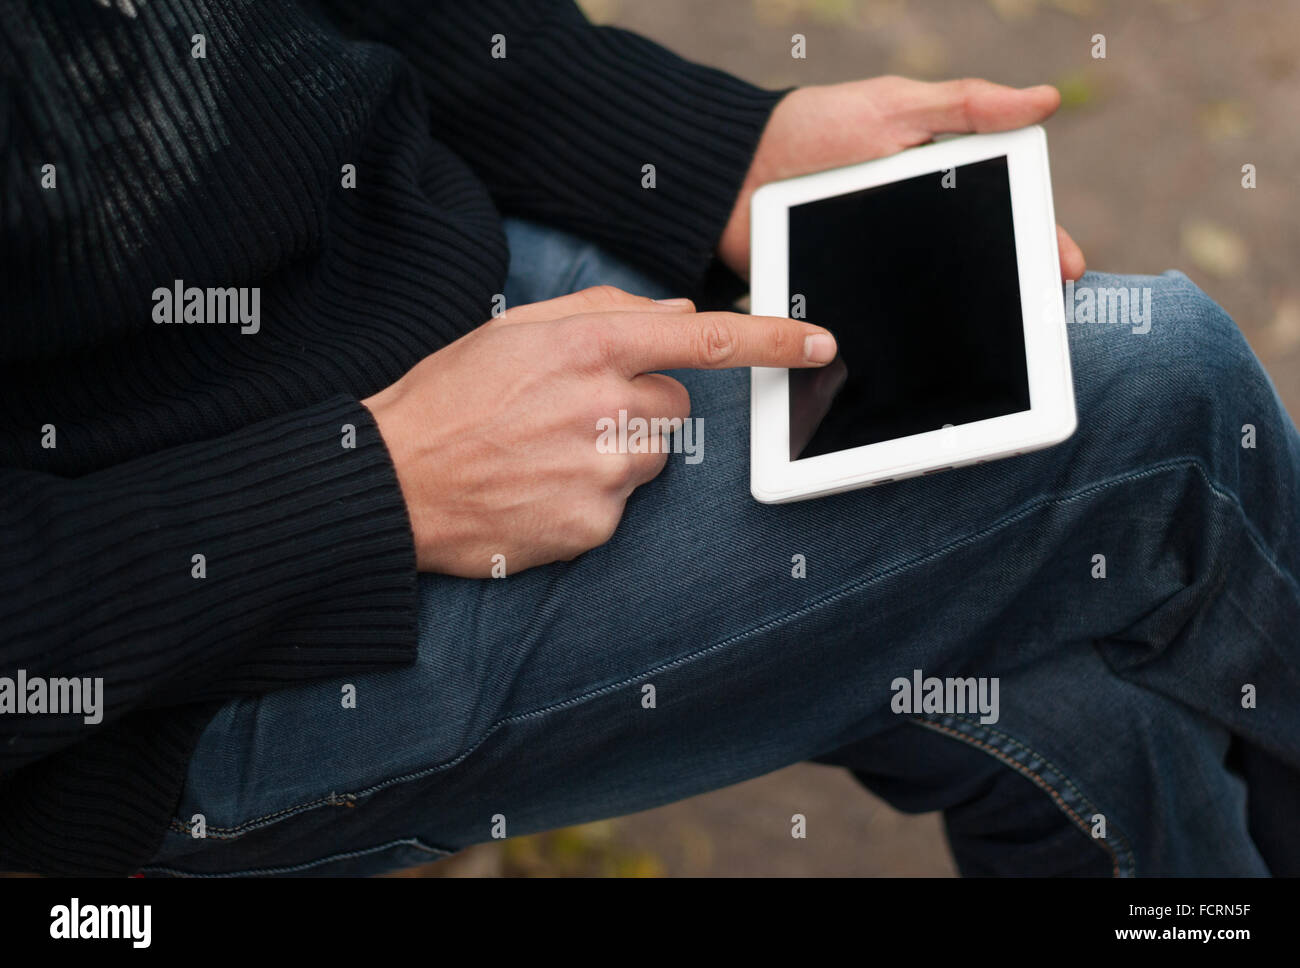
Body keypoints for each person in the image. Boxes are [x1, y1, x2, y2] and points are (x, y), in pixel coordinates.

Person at [2, 0, 1296, 877]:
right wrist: (372, 491)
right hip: (170, 637)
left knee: (1081, 704)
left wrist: (718, 151)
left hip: (425, 264)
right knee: (1157, 392)